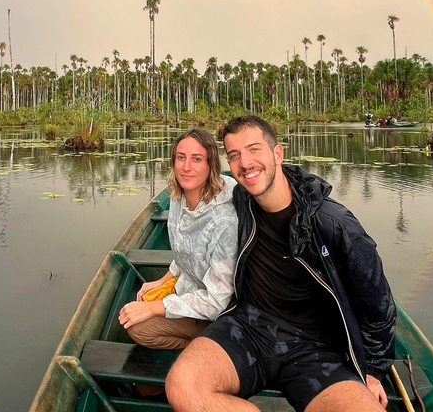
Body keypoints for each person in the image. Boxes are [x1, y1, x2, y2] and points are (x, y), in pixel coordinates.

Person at [166, 116, 396, 412]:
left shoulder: (333, 223)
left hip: (317, 348)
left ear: (278, 154)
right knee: (183, 386)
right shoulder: (240, 200)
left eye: (254, 150)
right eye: (234, 155)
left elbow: (378, 305)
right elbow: (198, 189)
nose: (245, 163)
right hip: (247, 327)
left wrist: (374, 369)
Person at [118, 128, 238, 350]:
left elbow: (218, 301)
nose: (186, 167)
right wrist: (164, 280)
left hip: (221, 313)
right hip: (190, 287)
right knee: (139, 305)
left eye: (197, 159)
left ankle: (209, 349)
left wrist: (156, 308)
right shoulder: (178, 196)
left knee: (139, 328)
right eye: (181, 158)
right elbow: (186, 251)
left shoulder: (225, 221)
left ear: (211, 165)